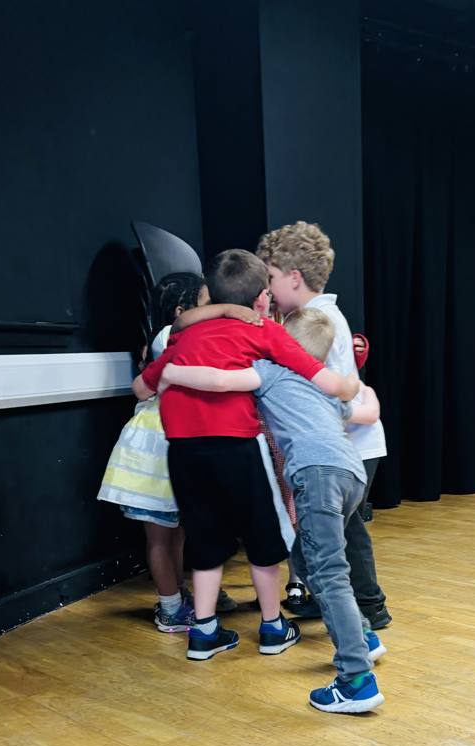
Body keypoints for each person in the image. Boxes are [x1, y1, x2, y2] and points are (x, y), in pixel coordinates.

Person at [133, 249, 359, 661]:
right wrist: (350, 387)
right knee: (263, 537)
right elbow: (319, 376)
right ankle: (273, 627)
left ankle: (203, 634)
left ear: (210, 293)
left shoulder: (182, 338)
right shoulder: (263, 330)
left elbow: (140, 389)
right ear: (260, 298)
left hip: (184, 451)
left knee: (204, 538)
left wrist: (169, 377)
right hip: (237, 446)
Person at [161, 307, 386, 712]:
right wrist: (359, 387)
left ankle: (356, 680)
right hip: (351, 475)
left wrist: (171, 371)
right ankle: (363, 635)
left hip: (317, 476)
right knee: (305, 556)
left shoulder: (271, 371)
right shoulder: (322, 387)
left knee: (327, 572)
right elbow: (367, 412)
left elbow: (218, 380)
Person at [257, 222, 392, 629]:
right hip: (345, 444)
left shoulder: (316, 320)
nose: (268, 289)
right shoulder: (317, 316)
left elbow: (328, 394)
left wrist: (356, 412)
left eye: (271, 278)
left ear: (294, 277)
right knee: (337, 531)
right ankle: (334, 599)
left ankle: (370, 607)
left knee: (345, 533)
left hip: (349, 445)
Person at [97, 273, 236, 633]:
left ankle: (176, 596)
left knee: (176, 532)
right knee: (160, 535)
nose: (212, 309)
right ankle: (169, 607)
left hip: (173, 440)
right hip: (155, 446)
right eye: (206, 303)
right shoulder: (169, 337)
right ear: (181, 311)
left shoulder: (174, 338)